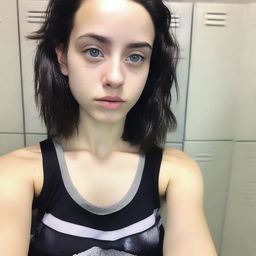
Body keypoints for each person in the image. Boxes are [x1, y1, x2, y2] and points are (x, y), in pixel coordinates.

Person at [0, 0, 218, 255]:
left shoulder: (177, 173)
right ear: (63, 58)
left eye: (135, 57)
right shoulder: (14, 174)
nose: (115, 77)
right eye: (94, 51)